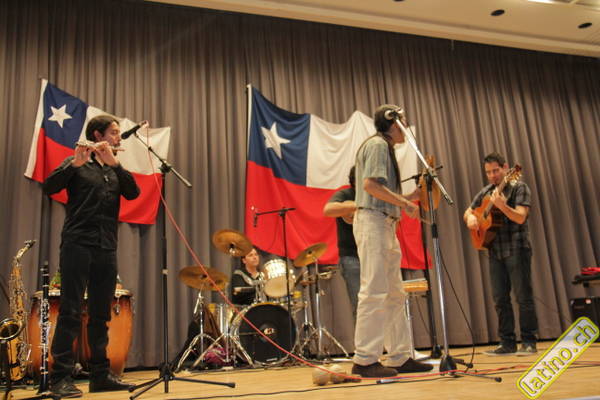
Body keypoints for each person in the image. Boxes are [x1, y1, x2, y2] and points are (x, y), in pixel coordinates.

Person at [43, 115, 140, 397]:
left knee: (100, 314)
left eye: (118, 133)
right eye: (114, 132)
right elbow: (50, 187)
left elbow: (133, 193)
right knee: (71, 311)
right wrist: (74, 164)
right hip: (77, 244)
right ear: (98, 135)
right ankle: (60, 378)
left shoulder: (113, 169)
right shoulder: (76, 162)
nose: (118, 138)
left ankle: (100, 376)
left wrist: (116, 164)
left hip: (106, 246)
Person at [351, 104, 433, 378]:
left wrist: (410, 198)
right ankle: (364, 360)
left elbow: (381, 192)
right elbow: (371, 186)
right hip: (374, 222)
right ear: (393, 123)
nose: (406, 127)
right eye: (403, 121)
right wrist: (404, 203)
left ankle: (399, 355)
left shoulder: (384, 147)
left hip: (384, 222)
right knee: (373, 291)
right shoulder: (377, 145)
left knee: (395, 293)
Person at [463, 152, 538, 356]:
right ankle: (507, 343)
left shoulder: (520, 187)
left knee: (523, 297)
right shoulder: (486, 191)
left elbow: (521, 217)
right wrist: (471, 218)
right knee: (500, 299)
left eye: (495, 171)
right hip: (495, 252)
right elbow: (467, 211)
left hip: (517, 248)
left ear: (506, 168)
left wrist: (502, 206)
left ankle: (529, 342)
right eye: (488, 172)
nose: (492, 176)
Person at [323, 166, 359, 318]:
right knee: (360, 306)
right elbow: (328, 209)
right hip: (352, 257)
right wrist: (357, 206)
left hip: (374, 256)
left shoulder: (375, 195)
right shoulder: (345, 194)